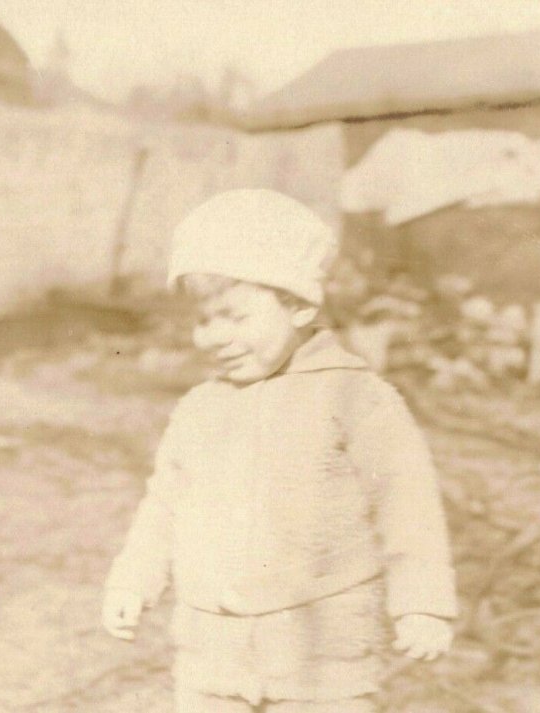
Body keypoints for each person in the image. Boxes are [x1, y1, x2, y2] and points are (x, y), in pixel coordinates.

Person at [101, 189, 457, 713]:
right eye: (203, 321)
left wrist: (422, 604)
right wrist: (133, 579)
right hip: (210, 655)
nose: (213, 337)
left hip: (321, 658)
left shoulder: (356, 397)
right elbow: (165, 506)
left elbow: (409, 505)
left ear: (300, 306)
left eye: (235, 316)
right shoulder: (200, 409)